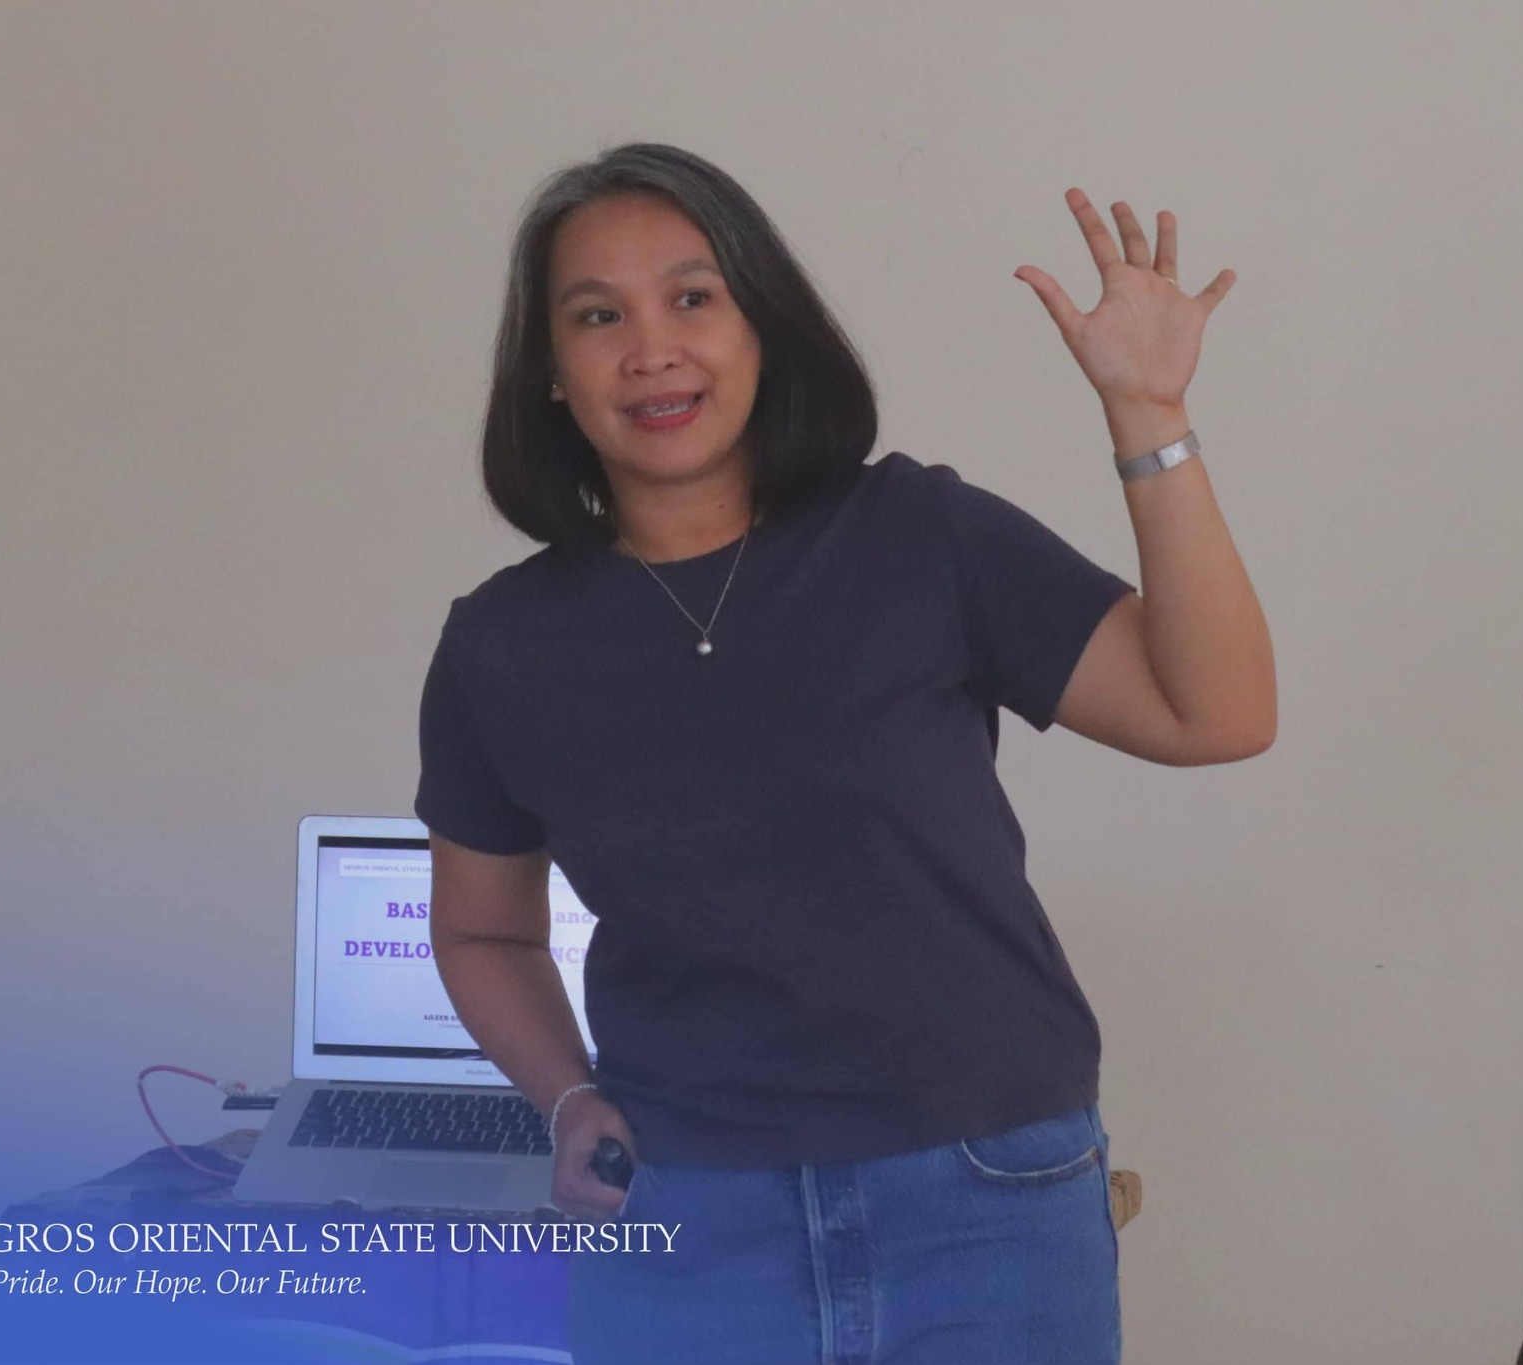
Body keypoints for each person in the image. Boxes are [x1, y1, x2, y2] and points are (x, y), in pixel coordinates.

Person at [414, 142, 1272, 1365]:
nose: (650, 349)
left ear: (763, 327)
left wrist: (1149, 416)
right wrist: (566, 1096)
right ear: (549, 374)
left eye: (692, 298)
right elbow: (482, 933)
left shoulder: (919, 535)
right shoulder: (502, 644)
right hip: (683, 1223)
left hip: (984, 1200)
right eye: (597, 317)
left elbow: (1217, 714)